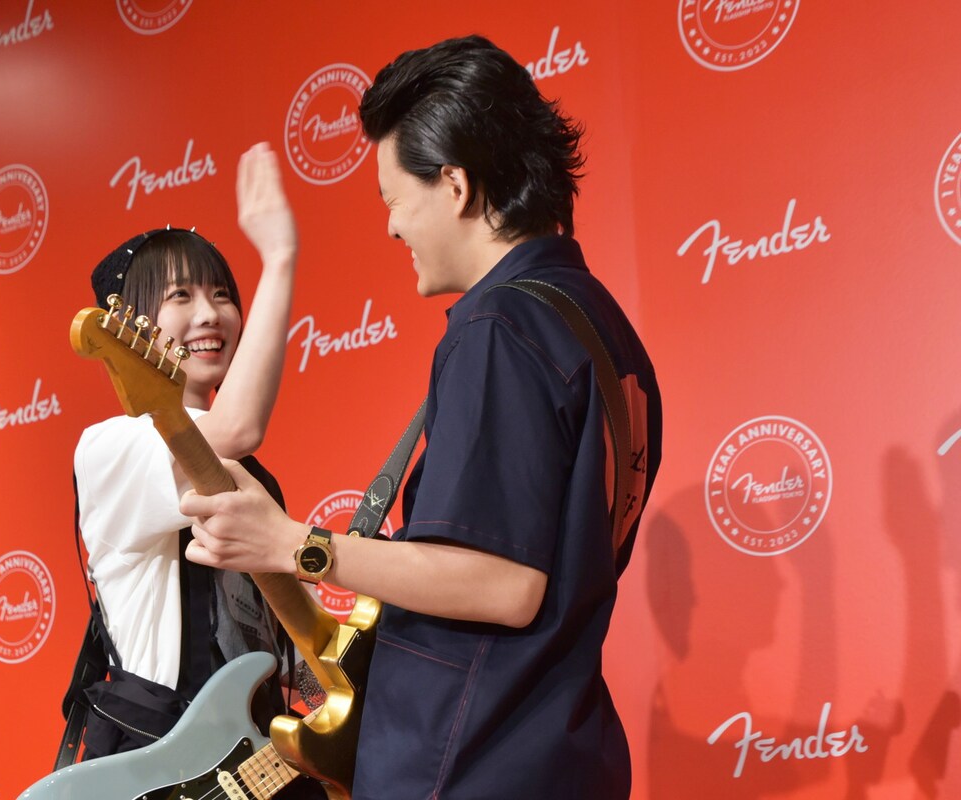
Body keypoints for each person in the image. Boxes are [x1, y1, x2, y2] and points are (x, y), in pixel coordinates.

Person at [178, 36, 663, 799]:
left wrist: (291, 544)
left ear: (456, 185)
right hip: (556, 756)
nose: (391, 228)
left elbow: (503, 583)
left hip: (468, 761)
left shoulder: (498, 327)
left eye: (393, 200)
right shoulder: (601, 327)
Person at [72, 142, 315, 778]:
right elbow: (233, 428)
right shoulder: (111, 446)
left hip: (248, 769)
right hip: (158, 770)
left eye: (222, 294)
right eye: (180, 295)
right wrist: (280, 257)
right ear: (130, 325)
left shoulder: (253, 477)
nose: (211, 314)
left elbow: (280, 655)